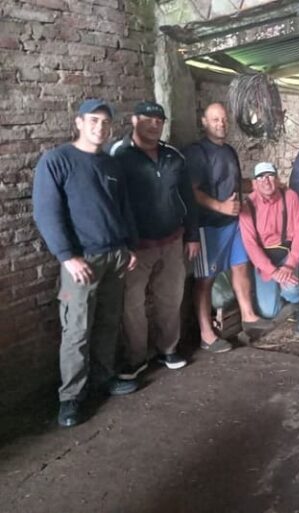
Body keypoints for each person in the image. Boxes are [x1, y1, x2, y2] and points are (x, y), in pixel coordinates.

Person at [32, 99, 139, 427]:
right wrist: (68, 257)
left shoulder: (111, 165)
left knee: (108, 322)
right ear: (78, 123)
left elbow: (123, 209)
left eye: (105, 123)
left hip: (114, 256)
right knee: (77, 329)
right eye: (93, 120)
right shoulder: (57, 161)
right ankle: (71, 397)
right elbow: (47, 213)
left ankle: (102, 378)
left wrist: (129, 247)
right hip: (82, 260)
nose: (100, 127)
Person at [109, 101, 199, 380]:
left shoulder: (173, 157)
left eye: (159, 120)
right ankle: (136, 358)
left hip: (172, 240)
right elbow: (111, 203)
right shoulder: (117, 156)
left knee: (170, 298)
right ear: (134, 120)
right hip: (137, 246)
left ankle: (167, 349)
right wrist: (122, 244)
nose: (154, 124)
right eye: (148, 119)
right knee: (132, 305)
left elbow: (187, 198)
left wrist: (192, 234)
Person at [183, 102, 272, 354]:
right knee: (205, 279)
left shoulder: (229, 151)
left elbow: (234, 183)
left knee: (241, 266)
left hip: (233, 223)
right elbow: (191, 191)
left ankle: (248, 317)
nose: (221, 124)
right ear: (204, 122)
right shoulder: (197, 152)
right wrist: (220, 207)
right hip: (208, 225)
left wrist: (262, 185)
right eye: (215, 120)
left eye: (223, 120)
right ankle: (206, 334)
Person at [239, 162, 299, 333]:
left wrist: (289, 265)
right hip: (265, 259)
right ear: (255, 184)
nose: (266, 181)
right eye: (261, 177)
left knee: (291, 286)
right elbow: (251, 245)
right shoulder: (247, 206)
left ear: (277, 180)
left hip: (286, 254)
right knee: (268, 311)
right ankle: (285, 293)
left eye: (270, 176)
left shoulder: (290, 197)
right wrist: (273, 272)